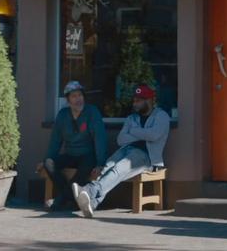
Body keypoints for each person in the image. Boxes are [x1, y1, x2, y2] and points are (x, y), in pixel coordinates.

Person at [73, 84, 170, 218]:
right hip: (127, 150)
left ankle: (90, 190)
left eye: (138, 101)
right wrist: (142, 134)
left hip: (147, 157)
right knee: (108, 166)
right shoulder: (132, 118)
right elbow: (121, 139)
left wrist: (133, 131)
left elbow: (154, 135)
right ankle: (93, 203)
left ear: (149, 100)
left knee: (118, 169)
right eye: (134, 100)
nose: (135, 104)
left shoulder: (161, 116)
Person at [41, 81, 106, 211]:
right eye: (74, 96)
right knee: (48, 163)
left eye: (80, 95)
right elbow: (55, 141)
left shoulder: (92, 112)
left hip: (88, 155)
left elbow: (100, 139)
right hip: (70, 154)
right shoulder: (63, 115)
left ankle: (60, 200)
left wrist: (100, 163)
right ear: (68, 100)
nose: (78, 99)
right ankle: (70, 199)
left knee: (85, 168)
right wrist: (47, 159)